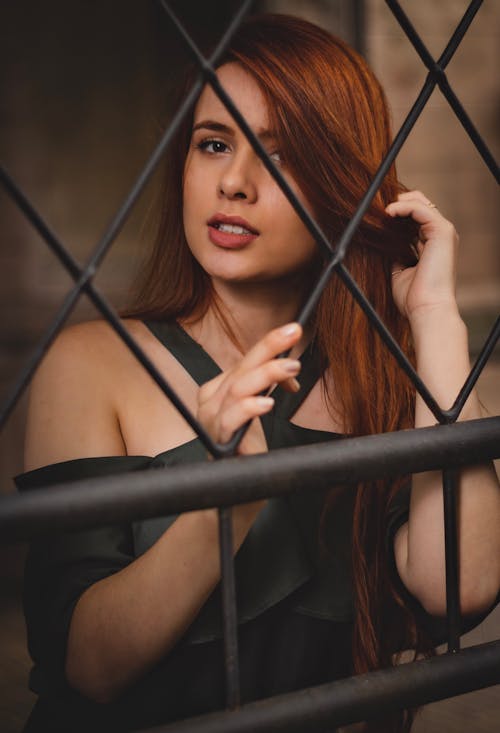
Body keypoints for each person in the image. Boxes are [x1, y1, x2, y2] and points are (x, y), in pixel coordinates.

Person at [17, 13, 499, 733]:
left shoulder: (390, 372)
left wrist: (434, 318)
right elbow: (88, 667)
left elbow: (459, 587)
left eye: (280, 156)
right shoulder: (89, 363)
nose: (234, 183)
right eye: (213, 144)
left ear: (341, 181)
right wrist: (227, 501)